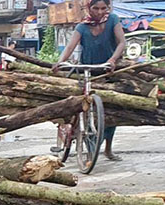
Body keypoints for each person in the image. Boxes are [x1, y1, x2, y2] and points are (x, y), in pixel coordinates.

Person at [54, 0, 126, 160]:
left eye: (103, 8)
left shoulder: (113, 20)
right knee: (86, 112)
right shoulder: (82, 27)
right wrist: (60, 62)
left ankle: (108, 149)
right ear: (88, 8)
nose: (100, 12)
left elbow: (122, 42)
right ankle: (90, 152)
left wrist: (113, 60)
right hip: (87, 71)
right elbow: (70, 47)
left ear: (108, 8)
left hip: (108, 72)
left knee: (110, 114)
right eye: (96, 8)